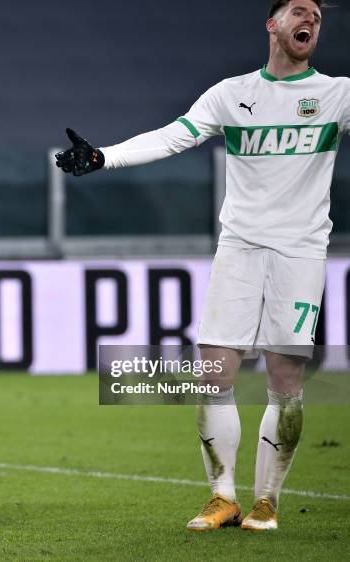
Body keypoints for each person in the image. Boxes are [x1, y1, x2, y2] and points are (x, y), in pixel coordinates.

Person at [55, 0, 348, 531]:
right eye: (299, 11)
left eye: (318, 16)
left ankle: (267, 502)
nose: (310, 21)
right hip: (238, 247)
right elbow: (172, 136)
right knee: (214, 372)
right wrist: (104, 157)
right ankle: (223, 496)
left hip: (301, 253)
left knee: (285, 382)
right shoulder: (232, 94)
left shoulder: (337, 94)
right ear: (273, 23)